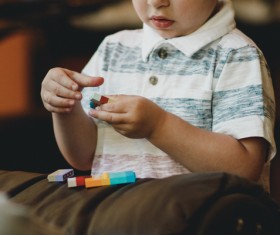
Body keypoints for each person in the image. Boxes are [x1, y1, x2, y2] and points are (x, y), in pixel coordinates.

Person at [41, 0, 276, 190]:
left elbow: (244, 169)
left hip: (202, 221)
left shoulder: (237, 55)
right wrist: (65, 107)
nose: (156, 2)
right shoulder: (113, 48)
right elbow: (84, 156)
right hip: (116, 217)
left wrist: (159, 126)